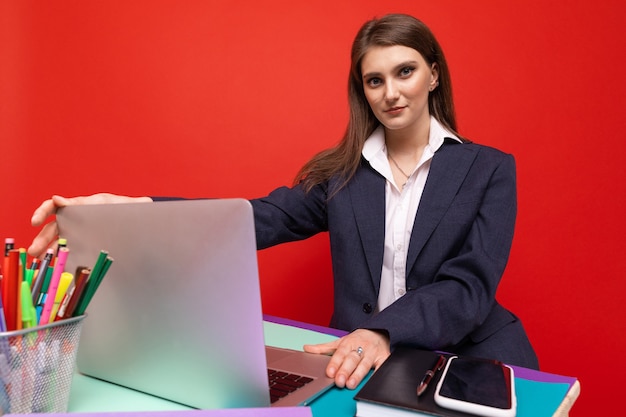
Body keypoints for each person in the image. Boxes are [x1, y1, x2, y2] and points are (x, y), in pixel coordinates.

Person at [28, 13, 539, 390]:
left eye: (404, 72)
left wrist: (382, 331)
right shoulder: (342, 175)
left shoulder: (490, 169)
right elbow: (257, 218)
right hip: (365, 363)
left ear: (432, 73)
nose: (390, 92)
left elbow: (469, 287)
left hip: (470, 356)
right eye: (374, 80)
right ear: (363, 92)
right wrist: (134, 209)